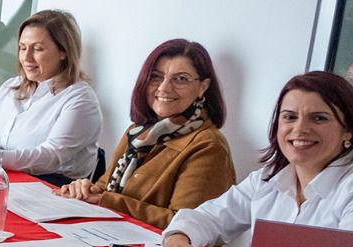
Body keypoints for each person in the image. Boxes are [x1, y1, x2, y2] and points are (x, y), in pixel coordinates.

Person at [159, 71, 353, 247]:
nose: (300, 129)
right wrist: (179, 238)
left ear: (348, 130)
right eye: (289, 117)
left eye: (319, 118)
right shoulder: (269, 177)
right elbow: (210, 217)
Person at [58, 39, 236, 228]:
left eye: (181, 79)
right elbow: (104, 188)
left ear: (203, 87)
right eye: (156, 76)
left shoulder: (208, 146)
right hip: (108, 233)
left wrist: (107, 201)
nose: (164, 88)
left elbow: (187, 226)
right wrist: (84, 189)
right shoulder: (138, 130)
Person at [0, 8, 102, 185]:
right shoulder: (11, 86)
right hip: (3, 177)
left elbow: (50, 156)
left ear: (63, 52)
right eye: (22, 48)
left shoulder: (80, 99)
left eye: (38, 49)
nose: (26, 57)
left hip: (51, 188)